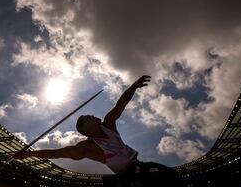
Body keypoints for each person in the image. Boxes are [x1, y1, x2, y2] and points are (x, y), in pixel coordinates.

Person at [14, 75, 177, 177]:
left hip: (140, 166)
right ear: (86, 130)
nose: (92, 115)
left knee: (172, 176)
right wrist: (29, 154)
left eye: (89, 115)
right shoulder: (88, 147)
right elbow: (56, 153)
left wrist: (132, 87)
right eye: (88, 118)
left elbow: (120, 105)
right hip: (129, 176)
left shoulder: (109, 124)